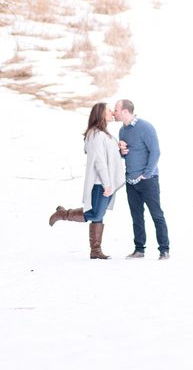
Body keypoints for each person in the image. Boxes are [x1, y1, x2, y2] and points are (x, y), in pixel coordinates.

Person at [48, 102, 123, 259]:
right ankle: (62, 214)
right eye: (108, 110)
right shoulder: (95, 134)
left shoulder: (105, 134)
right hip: (100, 183)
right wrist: (107, 184)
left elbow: (110, 156)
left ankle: (96, 250)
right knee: (95, 214)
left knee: (99, 214)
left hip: (105, 182)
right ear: (100, 114)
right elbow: (99, 162)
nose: (112, 113)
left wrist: (119, 147)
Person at [115, 99, 169, 260]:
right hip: (131, 181)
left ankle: (164, 250)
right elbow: (126, 155)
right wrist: (121, 152)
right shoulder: (122, 131)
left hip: (148, 180)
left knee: (156, 214)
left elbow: (156, 152)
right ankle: (139, 249)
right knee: (136, 216)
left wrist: (146, 174)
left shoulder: (145, 127)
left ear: (125, 111)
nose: (114, 112)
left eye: (116, 110)